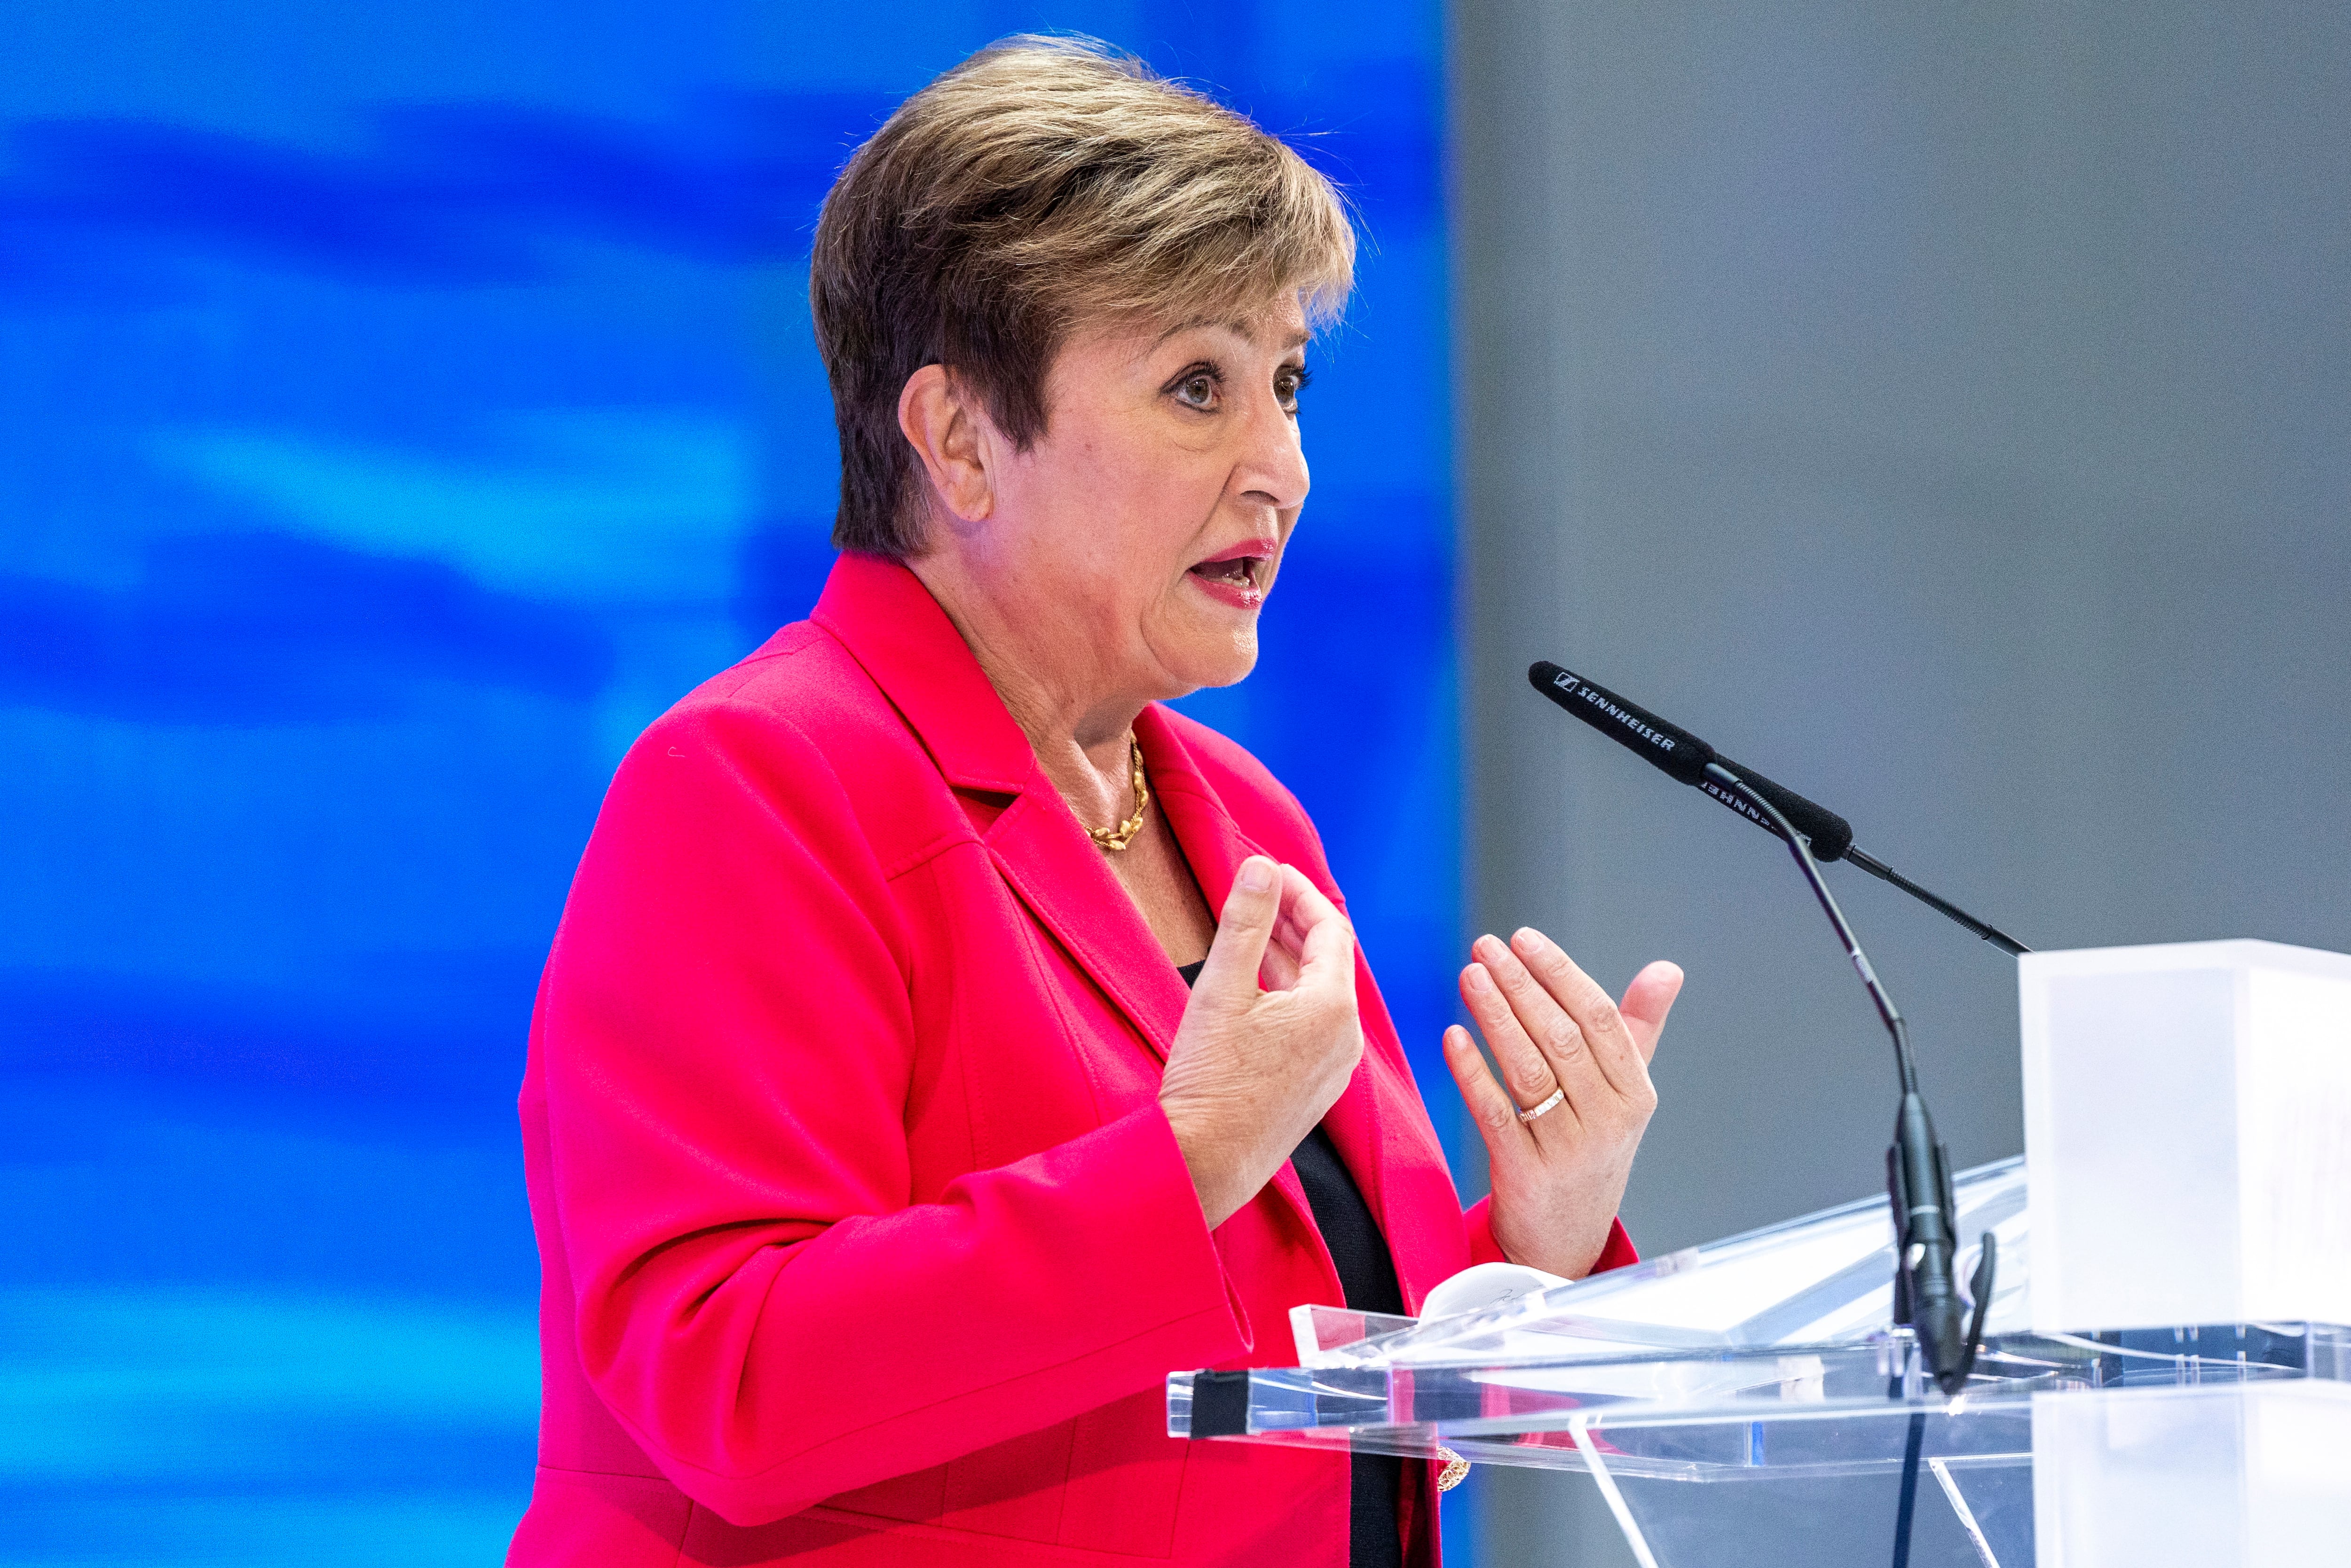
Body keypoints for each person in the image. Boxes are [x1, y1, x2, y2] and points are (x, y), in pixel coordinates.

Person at [506, 35, 1683, 1568]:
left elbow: (1291, 1379)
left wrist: (1536, 1239)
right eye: (1197, 387)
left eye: (1289, 385)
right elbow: (726, 1378)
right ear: (960, 441)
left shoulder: (1243, 818)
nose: (1281, 468)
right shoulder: (764, 780)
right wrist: (1181, 1159)